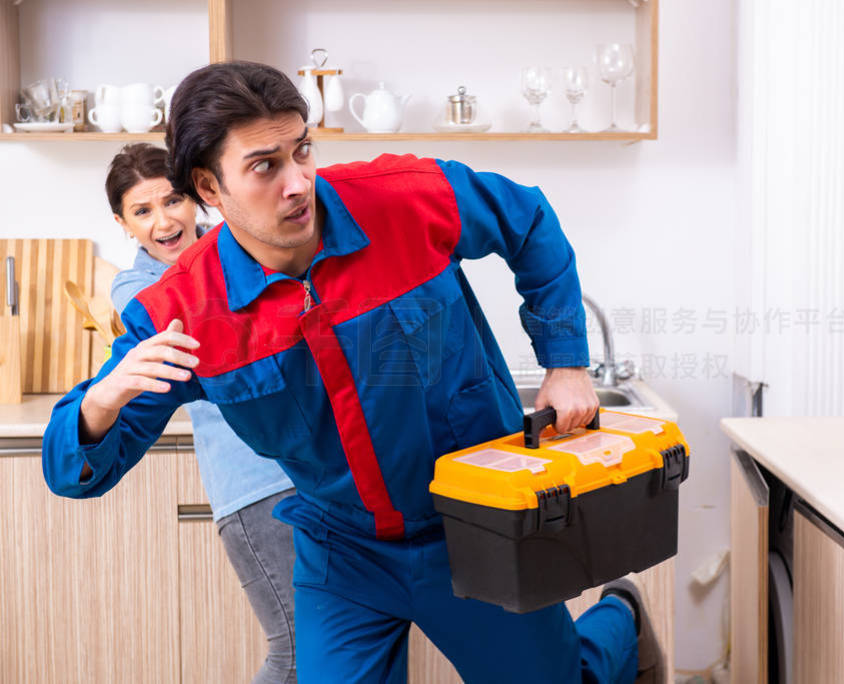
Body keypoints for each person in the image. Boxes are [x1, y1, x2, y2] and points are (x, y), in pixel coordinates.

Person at [43, 61, 663, 683]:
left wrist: (566, 362)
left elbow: (526, 220)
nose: (297, 183)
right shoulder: (178, 314)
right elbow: (74, 473)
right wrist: (100, 402)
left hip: (477, 523)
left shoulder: (402, 195)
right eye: (265, 165)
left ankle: (620, 621)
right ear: (209, 187)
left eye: (301, 151)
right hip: (343, 555)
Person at [104, 142, 297, 684]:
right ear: (122, 223)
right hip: (253, 485)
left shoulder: (240, 246)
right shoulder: (136, 289)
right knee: (296, 649)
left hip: (309, 470)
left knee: (346, 641)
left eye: (172, 201)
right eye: (143, 211)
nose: (164, 222)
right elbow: (211, 335)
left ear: (196, 197)